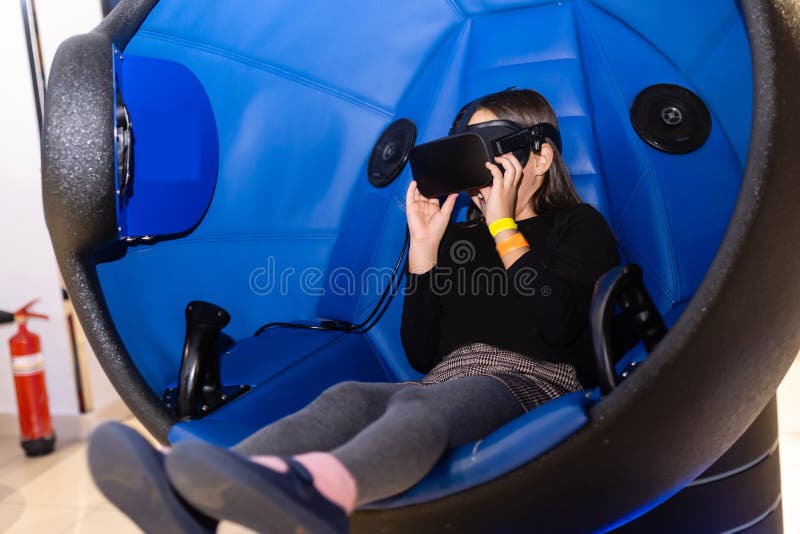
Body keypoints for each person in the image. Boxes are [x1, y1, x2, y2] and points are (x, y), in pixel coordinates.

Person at [88, 88, 620, 534]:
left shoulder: (578, 226)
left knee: (422, 408)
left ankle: (319, 494)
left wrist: (506, 228)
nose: (482, 168)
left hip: (533, 382)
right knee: (347, 398)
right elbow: (422, 353)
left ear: (541, 156)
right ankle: (191, 495)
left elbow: (560, 324)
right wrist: (425, 252)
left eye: (493, 148)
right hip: (446, 381)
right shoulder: (461, 240)